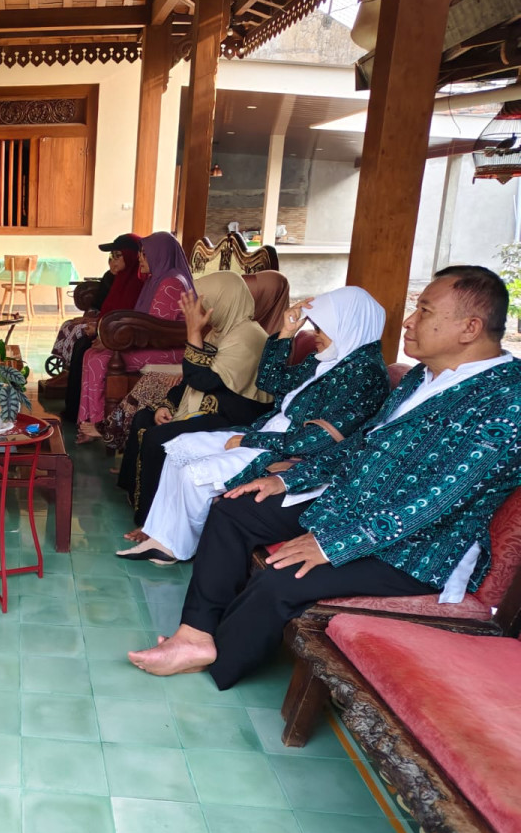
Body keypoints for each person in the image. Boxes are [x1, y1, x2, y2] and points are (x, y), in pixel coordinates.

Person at [129, 267, 521, 689]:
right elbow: (361, 445)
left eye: (424, 311)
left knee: (283, 576)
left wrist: (332, 544)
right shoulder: (420, 378)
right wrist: (289, 481)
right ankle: (195, 635)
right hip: (347, 504)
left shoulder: (505, 399)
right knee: (234, 510)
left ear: (470, 327)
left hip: (413, 547)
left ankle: (222, 666)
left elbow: (440, 498)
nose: (409, 321)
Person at [119, 286, 389, 566]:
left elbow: (320, 439)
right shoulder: (329, 360)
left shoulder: (365, 374)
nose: (317, 334)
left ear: (348, 324)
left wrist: (251, 442)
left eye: (323, 327)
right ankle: (161, 537)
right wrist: (286, 335)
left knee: (194, 474)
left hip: (288, 451)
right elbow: (271, 383)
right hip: (267, 433)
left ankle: (174, 547)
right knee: (178, 448)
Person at [116, 271, 274, 525]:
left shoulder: (248, 337)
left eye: (206, 302)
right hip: (208, 406)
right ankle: (132, 489)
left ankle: (149, 520)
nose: (201, 309)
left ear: (224, 301)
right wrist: (167, 405)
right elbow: (192, 378)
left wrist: (193, 333)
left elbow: (204, 380)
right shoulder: (221, 332)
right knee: (146, 416)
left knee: (158, 438)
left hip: (230, 417)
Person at [78, 231, 194, 441]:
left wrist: (114, 344)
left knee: (100, 359)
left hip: (171, 349)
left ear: (160, 254)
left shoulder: (171, 283)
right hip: (157, 343)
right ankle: (88, 420)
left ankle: (97, 424)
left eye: (145, 253)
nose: (140, 257)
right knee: (91, 354)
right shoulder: (157, 279)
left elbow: (155, 329)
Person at [56, 233, 145, 420]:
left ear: (130, 256)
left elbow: (128, 314)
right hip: (109, 328)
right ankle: (76, 408)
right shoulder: (117, 278)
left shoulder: (137, 281)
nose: (112, 261)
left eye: (117, 255)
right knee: (80, 342)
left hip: (122, 333)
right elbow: (103, 307)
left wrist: (99, 329)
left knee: (83, 345)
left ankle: (82, 412)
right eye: (111, 256)